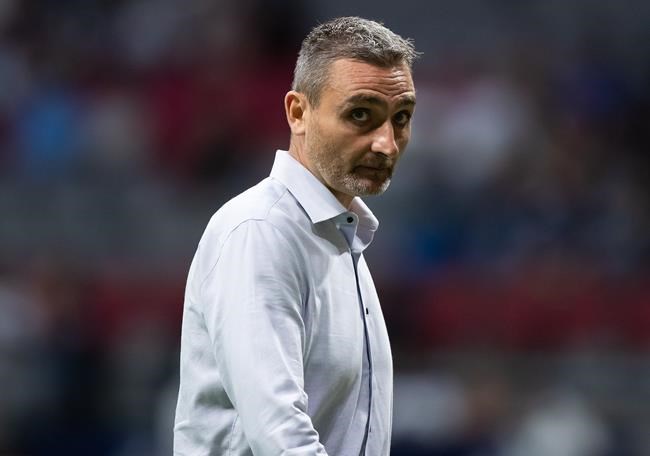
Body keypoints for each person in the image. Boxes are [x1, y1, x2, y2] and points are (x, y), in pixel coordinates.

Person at [173, 16, 418, 455]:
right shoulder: (261, 232)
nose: (387, 143)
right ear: (298, 113)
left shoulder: (341, 237)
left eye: (400, 118)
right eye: (360, 115)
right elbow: (279, 436)